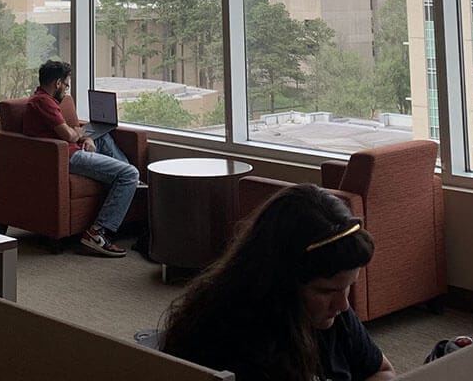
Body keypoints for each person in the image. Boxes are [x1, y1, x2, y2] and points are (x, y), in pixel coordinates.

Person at [160, 184, 397, 381]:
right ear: (279, 281)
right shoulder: (226, 337)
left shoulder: (332, 316)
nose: (343, 304)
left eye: (348, 286)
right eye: (325, 291)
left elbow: (382, 371)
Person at [20, 60, 139, 257]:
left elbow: (68, 133)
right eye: (66, 84)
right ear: (57, 83)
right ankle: (97, 232)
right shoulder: (43, 102)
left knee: (103, 136)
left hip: (73, 148)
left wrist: (85, 136)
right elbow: (67, 136)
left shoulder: (45, 100)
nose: (67, 90)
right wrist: (78, 134)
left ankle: (129, 182)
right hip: (67, 157)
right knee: (129, 173)